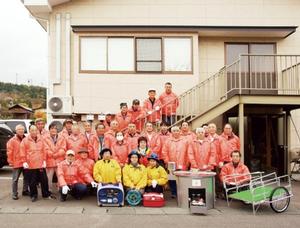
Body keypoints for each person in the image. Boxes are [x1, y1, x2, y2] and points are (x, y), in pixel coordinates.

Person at [20, 125, 51, 202]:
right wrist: (24, 161)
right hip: (31, 164)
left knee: (44, 180)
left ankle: (46, 194)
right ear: (29, 131)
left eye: (35, 130)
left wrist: (44, 160)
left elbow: (44, 150)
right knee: (32, 181)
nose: (34, 132)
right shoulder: (25, 140)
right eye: (32, 130)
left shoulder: (41, 139)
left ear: (37, 131)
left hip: (40, 164)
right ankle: (33, 195)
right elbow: (22, 152)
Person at [162, 126, 189, 197]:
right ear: (171, 132)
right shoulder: (168, 141)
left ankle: (181, 193)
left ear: (180, 131)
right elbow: (164, 152)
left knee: (181, 178)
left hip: (182, 163)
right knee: (172, 179)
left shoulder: (185, 140)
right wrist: (167, 162)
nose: (176, 132)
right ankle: (174, 192)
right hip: (171, 163)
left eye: (177, 130)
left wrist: (187, 162)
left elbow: (188, 152)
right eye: (174, 131)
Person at [6, 124, 29, 200]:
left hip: (25, 162)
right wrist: (10, 161)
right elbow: (9, 152)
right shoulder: (12, 140)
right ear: (16, 131)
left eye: (22, 129)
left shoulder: (26, 139)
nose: (21, 131)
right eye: (19, 129)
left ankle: (25, 190)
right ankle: (14, 193)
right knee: (15, 179)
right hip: (17, 162)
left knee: (26, 178)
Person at [43, 122, 67, 193]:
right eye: (52, 128)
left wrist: (57, 154)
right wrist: (52, 154)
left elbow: (64, 148)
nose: (53, 130)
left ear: (57, 130)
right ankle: (48, 190)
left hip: (59, 160)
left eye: (55, 129)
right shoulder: (45, 138)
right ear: (49, 130)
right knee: (48, 177)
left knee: (60, 176)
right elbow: (45, 148)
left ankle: (61, 189)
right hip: (49, 160)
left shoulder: (62, 138)